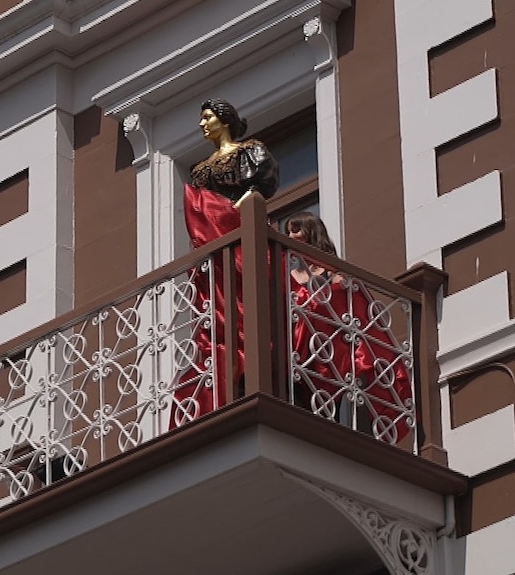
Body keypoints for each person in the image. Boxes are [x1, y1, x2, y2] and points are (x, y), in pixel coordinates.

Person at [172, 99, 279, 427]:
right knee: (219, 302)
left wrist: (237, 209)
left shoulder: (252, 152)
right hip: (216, 244)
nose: (203, 124)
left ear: (225, 119)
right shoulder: (200, 171)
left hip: (239, 233)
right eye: (201, 118)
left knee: (246, 296)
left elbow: (260, 189)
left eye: (208, 118)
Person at [284, 212, 413, 443]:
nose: (291, 236)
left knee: (344, 384)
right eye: (289, 232)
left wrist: (330, 291)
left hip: (333, 341)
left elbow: (348, 300)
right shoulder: (290, 275)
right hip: (304, 343)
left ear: (312, 231)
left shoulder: (330, 269)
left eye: (296, 230)